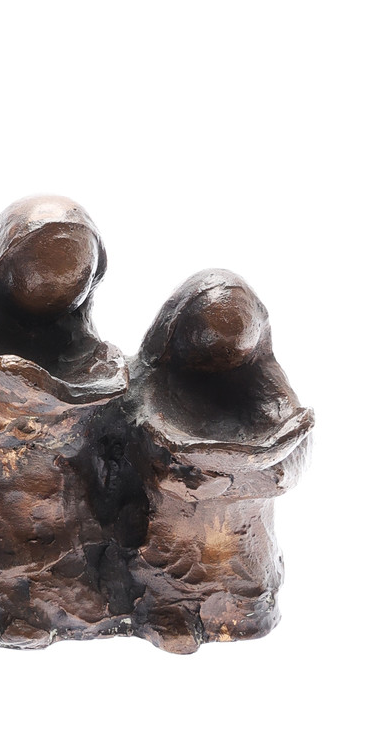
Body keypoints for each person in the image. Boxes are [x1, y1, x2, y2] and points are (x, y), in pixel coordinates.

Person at [0, 196, 129, 647]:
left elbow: (114, 425)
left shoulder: (87, 350)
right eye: (41, 264)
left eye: (75, 272)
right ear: (2, 262)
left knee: (70, 574)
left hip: (63, 510)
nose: (55, 283)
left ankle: (59, 603)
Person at [125, 269, 314, 653]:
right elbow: (145, 459)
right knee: (171, 576)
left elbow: (292, 463)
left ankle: (245, 612)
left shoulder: (270, 389)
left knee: (245, 587)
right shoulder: (150, 387)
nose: (221, 356)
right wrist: (186, 480)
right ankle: (167, 612)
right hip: (178, 531)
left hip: (245, 538)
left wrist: (227, 481)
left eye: (234, 345)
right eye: (207, 343)